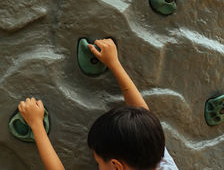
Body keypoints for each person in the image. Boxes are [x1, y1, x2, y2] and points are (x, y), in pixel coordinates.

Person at [18, 39, 178, 170]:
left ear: (116, 167)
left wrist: (37, 126)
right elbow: (142, 115)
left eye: (99, 162)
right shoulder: (160, 164)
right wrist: (114, 64)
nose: (98, 166)